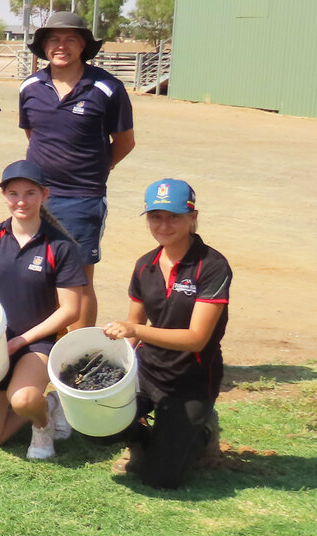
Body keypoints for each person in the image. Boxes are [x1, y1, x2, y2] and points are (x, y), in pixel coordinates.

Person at [103, 179, 230, 489]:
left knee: (162, 479)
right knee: (97, 421)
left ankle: (201, 433)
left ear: (192, 217)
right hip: (148, 371)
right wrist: (115, 373)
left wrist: (135, 329)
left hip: (191, 378)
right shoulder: (144, 265)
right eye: (156, 216)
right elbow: (133, 332)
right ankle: (140, 441)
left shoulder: (212, 266)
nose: (164, 225)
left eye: (174, 216)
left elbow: (197, 338)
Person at [0, 160, 85, 459]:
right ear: (4, 196)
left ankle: (42, 423)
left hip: (35, 344)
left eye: (30, 193)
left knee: (24, 401)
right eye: (14, 193)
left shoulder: (61, 246)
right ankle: (52, 404)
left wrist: (21, 341)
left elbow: (70, 310)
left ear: (44, 195)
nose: (21, 201)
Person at [19, 11, 135, 331]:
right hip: (36, 198)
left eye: (70, 39)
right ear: (43, 46)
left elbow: (125, 141)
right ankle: (46, 350)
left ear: (83, 45)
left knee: (79, 280)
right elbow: (35, 135)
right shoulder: (30, 87)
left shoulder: (107, 88)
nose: (61, 46)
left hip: (82, 199)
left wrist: (97, 168)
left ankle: (76, 358)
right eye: (54, 39)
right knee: (38, 273)